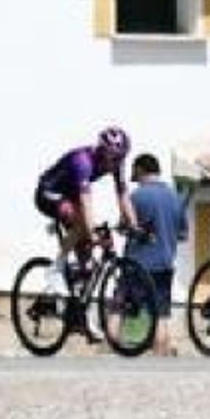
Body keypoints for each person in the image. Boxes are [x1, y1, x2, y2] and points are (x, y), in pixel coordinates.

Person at [34, 125, 136, 296]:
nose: (116, 164)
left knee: (87, 259)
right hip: (48, 193)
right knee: (84, 226)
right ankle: (55, 269)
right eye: (113, 158)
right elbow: (86, 201)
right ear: (102, 152)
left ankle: (78, 304)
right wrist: (91, 232)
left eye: (120, 158)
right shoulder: (82, 162)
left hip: (69, 195)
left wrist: (134, 224)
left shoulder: (116, 164)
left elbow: (123, 194)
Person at [125, 153, 187, 356]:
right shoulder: (175, 197)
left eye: (133, 169)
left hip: (137, 265)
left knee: (119, 306)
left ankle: (111, 347)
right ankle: (160, 352)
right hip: (164, 263)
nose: (131, 173)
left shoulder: (135, 196)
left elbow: (125, 225)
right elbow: (183, 234)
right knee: (160, 313)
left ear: (141, 169)